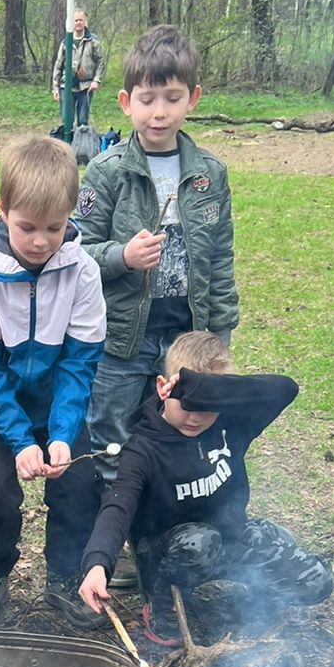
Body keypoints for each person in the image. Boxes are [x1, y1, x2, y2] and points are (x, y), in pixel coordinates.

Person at [76, 330, 332, 643]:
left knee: (315, 581)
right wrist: (98, 564)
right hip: (168, 555)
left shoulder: (231, 424)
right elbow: (117, 506)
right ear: (162, 388)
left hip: (229, 539)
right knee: (199, 541)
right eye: (187, 405)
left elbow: (286, 389)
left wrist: (217, 390)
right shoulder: (143, 449)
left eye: (207, 406)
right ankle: (163, 605)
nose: (196, 418)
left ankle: (254, 606)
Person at [0, 134, 107, 628]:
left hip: (58, 406)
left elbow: (79, 364)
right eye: (26, 228)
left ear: (69, 216)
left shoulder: (83, 273)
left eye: (54, 227)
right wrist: (19, 439)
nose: (41, 241)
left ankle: (65, 578)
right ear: (2, 209)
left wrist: (61, 434)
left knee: (79, 487)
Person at [75, 25, 239, 479]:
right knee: (113, 430)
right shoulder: (106, 174)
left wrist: (219, 334)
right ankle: (116, 517)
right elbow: (74, 251)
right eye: (147, 99)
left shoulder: (210, 174)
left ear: (193, 98)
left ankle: (164, 520)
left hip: (187, 332)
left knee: (182, 426)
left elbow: (220, 259)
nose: (159, 112)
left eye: (172, 97)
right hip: (123, 336)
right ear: (127, 103)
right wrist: (121, 257)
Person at [51, 9, 105, 129]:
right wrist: (55, 87)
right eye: (76, 20)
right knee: (66, 121)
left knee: (83, 121)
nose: (78, 23)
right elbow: (58, 66)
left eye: (81, 20)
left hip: (86, 86)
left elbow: (101, 61)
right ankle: (67, 145)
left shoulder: (93, 41)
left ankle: (81, 145)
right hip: (66, 86)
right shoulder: (66, 42)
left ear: (85, 21)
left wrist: (96, 80)